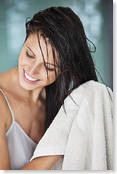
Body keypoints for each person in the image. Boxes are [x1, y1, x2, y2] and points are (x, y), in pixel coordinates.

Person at [0, 6, 113, 170]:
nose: (32, 70)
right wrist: (61, 140)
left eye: (49, 67)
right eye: (29, 55)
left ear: (64, 69)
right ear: (24, 42)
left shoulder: (65, 102)